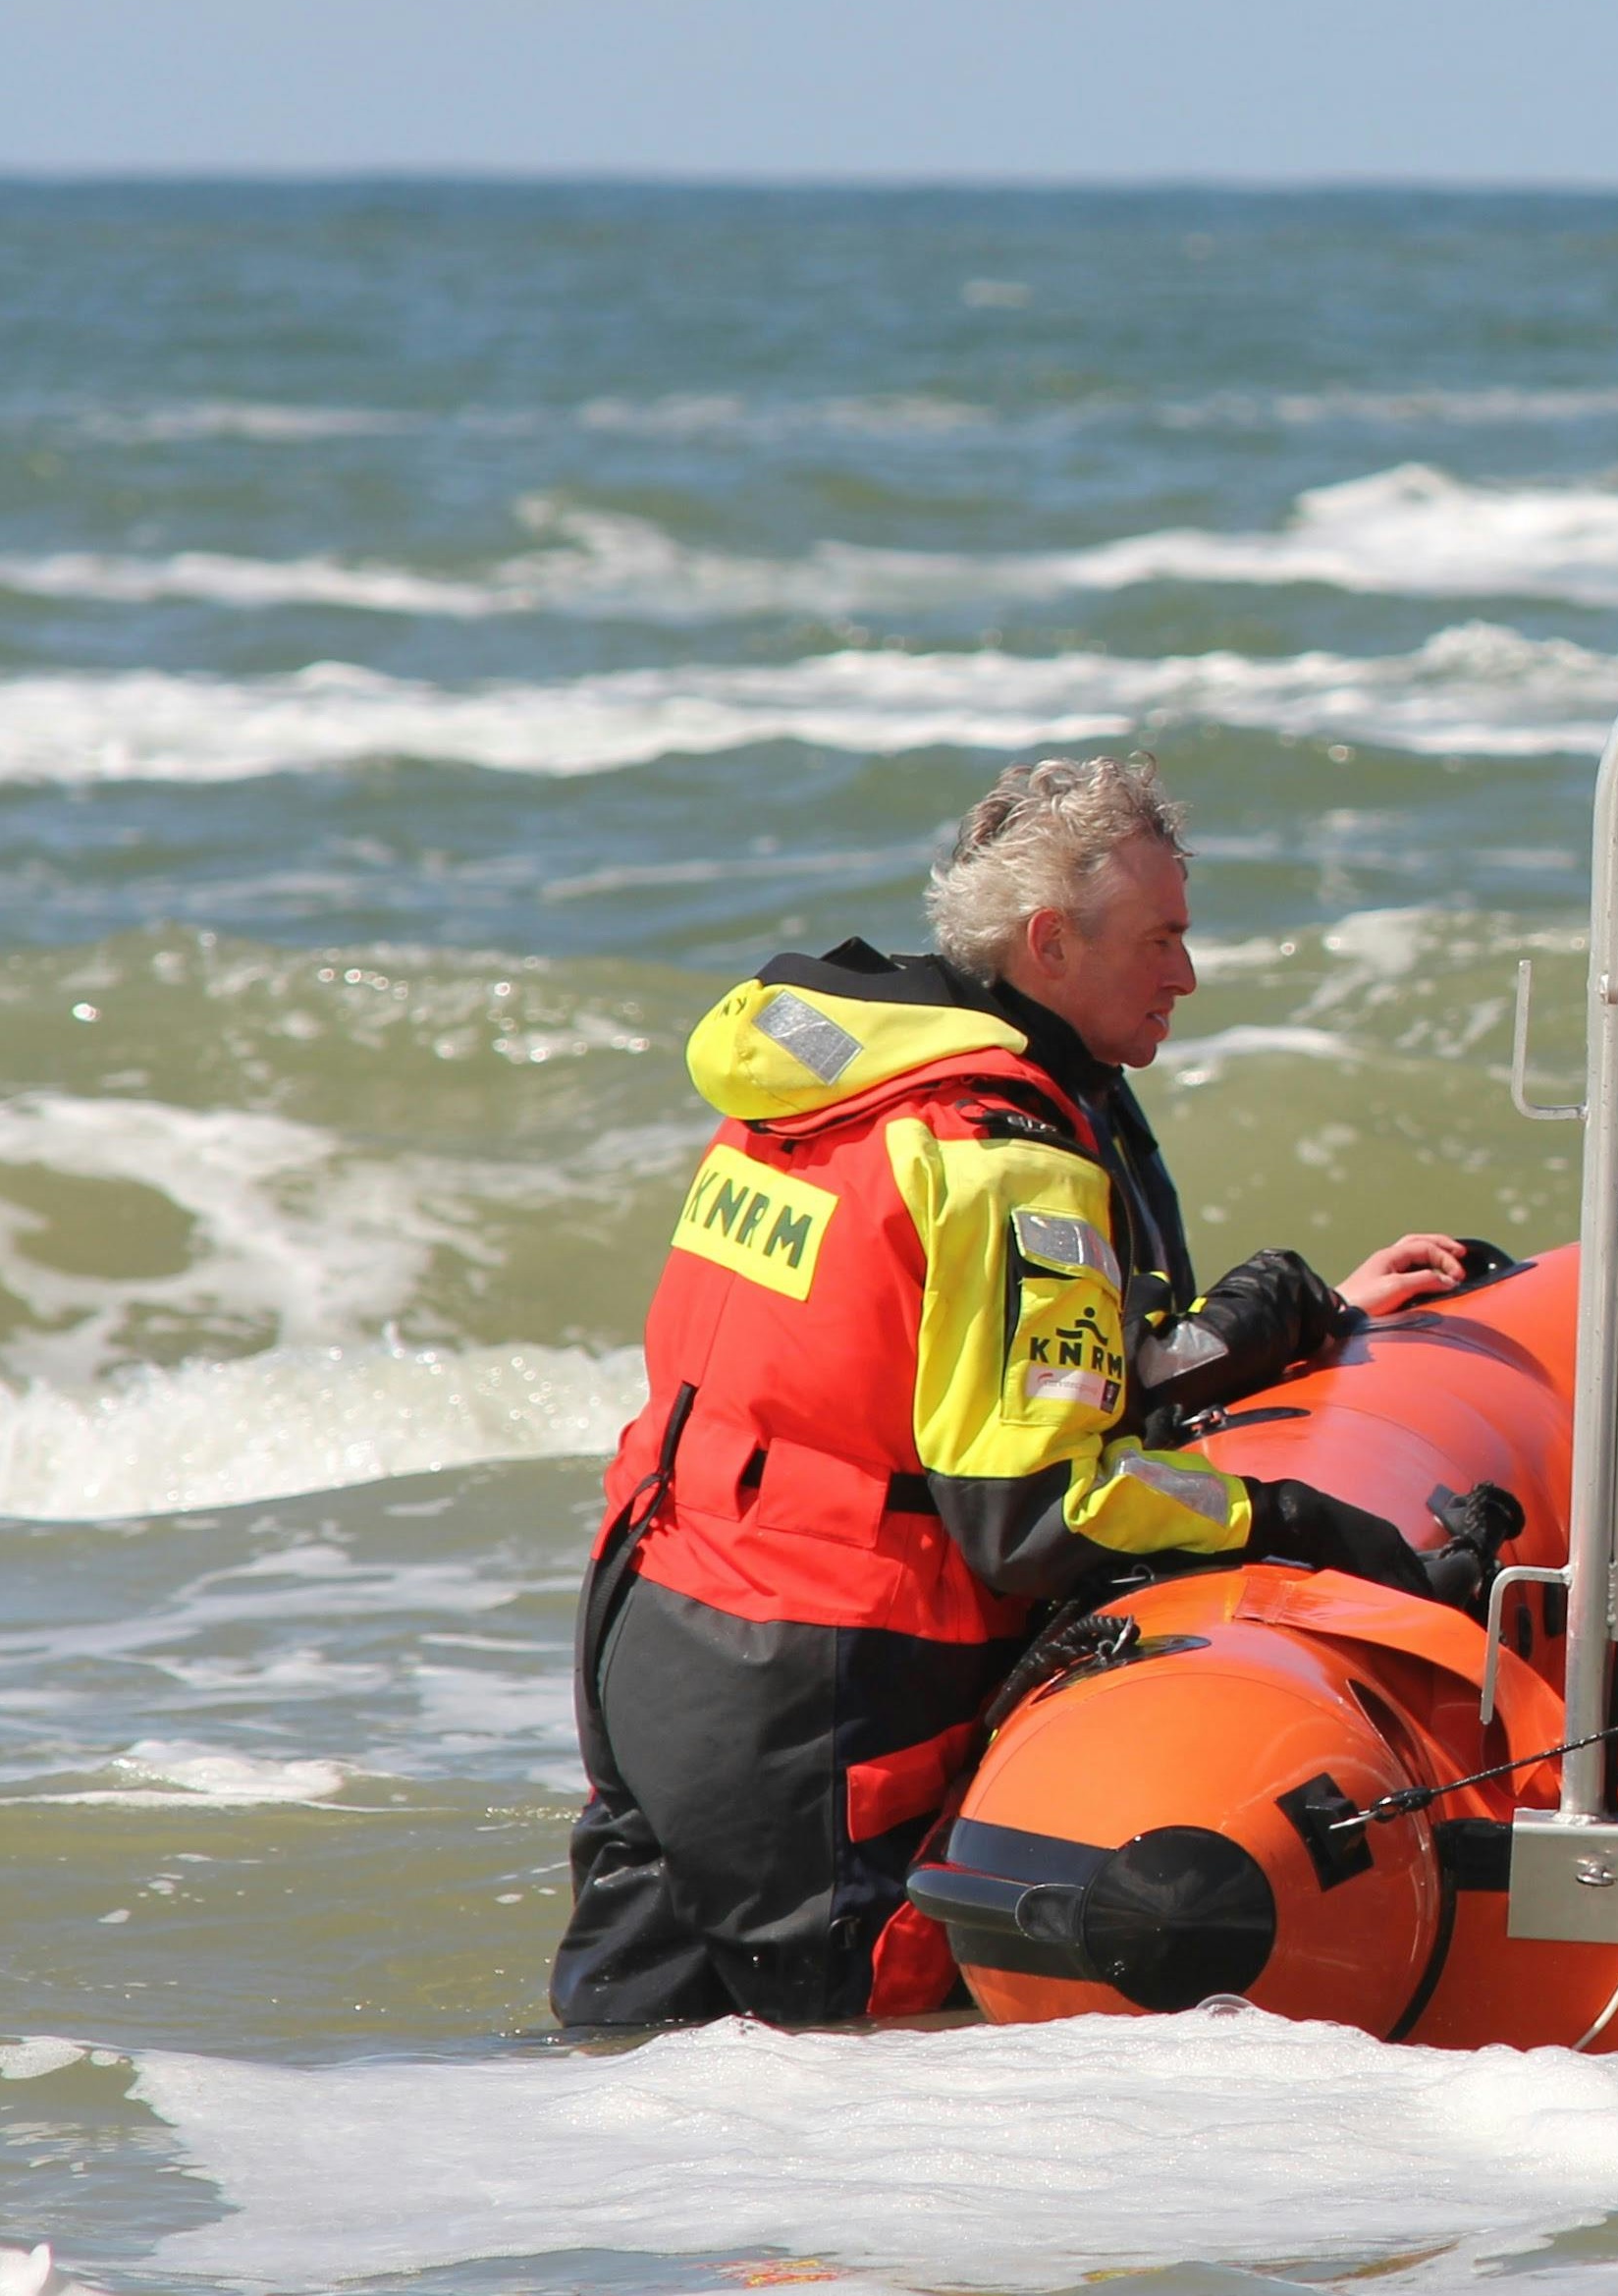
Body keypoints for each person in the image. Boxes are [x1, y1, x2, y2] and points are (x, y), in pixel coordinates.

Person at [553, 754, 1508, 2030]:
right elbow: (1038, 1511)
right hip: (817, 1683)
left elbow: (923, 1362)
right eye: (1161, 939)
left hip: (652, 1623)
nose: (1186, 974)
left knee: (624, 2051)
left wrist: (1298, 1315)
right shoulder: (1012, 1159)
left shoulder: (830, 1088)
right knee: (855, 2070)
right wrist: (1296, 1520)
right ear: (1051, 943)